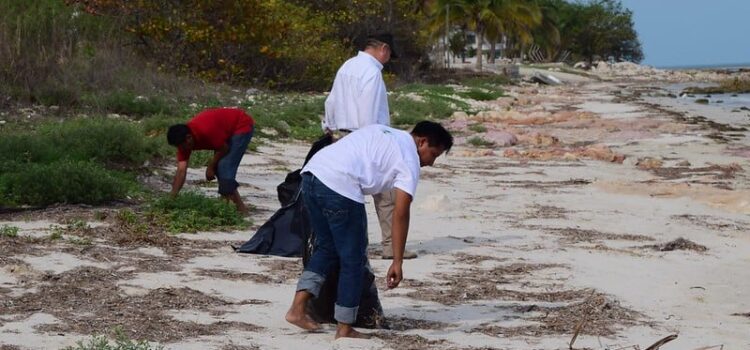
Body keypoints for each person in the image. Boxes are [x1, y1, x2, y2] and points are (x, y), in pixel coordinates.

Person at [285, 121, 453, 339]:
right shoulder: (409, 159)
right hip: (340, 186)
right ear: (422, 142)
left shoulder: (384, 130)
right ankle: (344, 327)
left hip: (311, 175)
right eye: (433, 154)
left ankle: (297, 309)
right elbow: (401, 213)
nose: (431, 163)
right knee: (353, 259)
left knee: (326, 248)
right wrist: (397, 261)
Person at [323, 32, 416, 260]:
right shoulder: (372, 72)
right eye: (389, 54)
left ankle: (341, 244)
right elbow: (369, 112)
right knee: (386, 196)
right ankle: (391, 246)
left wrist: (328, 126)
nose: (388, 59)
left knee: (345, 192)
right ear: (383, 48)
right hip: (366, 136)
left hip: (343, 136)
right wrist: (374, 142)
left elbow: (331, 101)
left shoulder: (347, 66)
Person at [166, 107, 254, 214]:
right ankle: (235, 207)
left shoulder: (206, 131)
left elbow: (224, 148)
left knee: (224, 167)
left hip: (241, 125)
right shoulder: (183, 143)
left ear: (189, 138)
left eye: (183, 146)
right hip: (223, 131)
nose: (182, 149)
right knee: (220, 168)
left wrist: (210, 167)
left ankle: (238, 210)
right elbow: (181, 170)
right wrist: (172, 197)